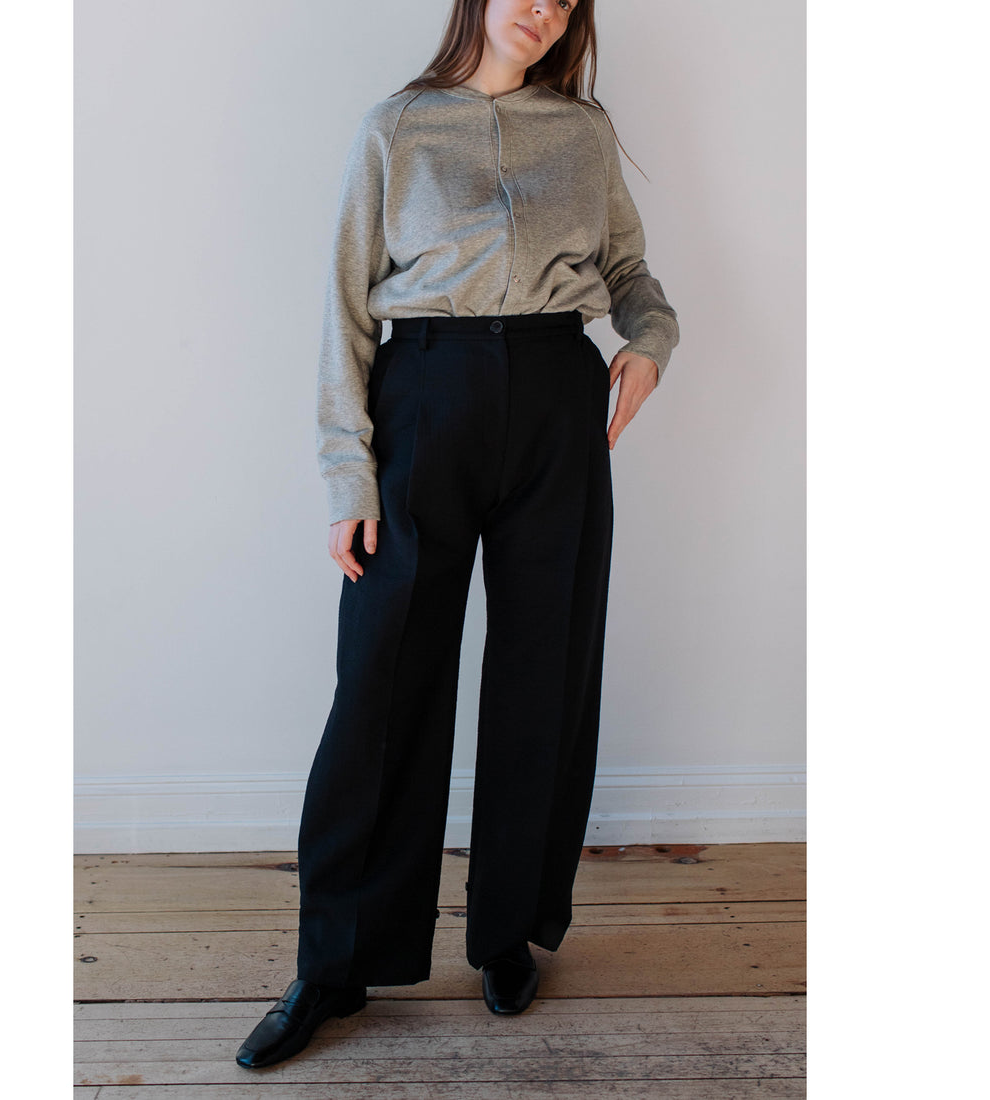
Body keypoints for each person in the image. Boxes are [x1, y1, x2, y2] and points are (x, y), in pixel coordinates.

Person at [237, 0, 679, 1070]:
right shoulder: (396, 128)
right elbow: (345, 308)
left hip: (556, 398)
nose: (544, 11)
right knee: (382, 681)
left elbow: (630, 273)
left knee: (544, 672)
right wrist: (347, 472)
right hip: (424, 398)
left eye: (565, 1)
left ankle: (508, 929)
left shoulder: (582, 132)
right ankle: (337, 961)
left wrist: (650, 339)